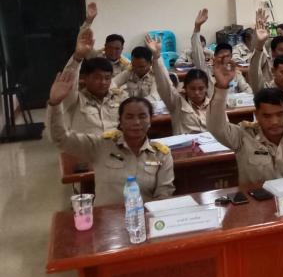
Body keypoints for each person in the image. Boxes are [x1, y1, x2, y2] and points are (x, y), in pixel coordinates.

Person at [46, 70, 174, 206]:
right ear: (120, 121)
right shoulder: (100, 145)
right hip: (106, 217)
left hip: (143, 215)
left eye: (142, 116)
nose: (136, 122)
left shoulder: (161, 154)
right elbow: (60, 138)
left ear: (150, 121)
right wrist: (55, 103)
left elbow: (164, 194)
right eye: (129, 117)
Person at [208, 58, 283, 186]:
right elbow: (216, 127)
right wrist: (221, 88)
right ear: (257, 115)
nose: (274, 122)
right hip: (255, 196)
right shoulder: (244, 135)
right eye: (267, 116)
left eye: (280, 114)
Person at [59, 27, 128, 134]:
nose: (103, 82)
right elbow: (69, 77)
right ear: (85, 78)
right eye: (97, 78)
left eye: (107, 78)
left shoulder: (121, 97)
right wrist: (77, 57)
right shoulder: (76, 99)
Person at [147, 34, 211, 135]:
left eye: (201, 88)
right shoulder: (177, 102)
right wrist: (157, 57)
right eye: (192, 89)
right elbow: (164, 83)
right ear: (185, 88)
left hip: (212, 144)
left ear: (207, 88)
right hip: (187, 144)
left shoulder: (214, 105)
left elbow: (224, 130)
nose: (197, 92)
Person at [191, 9, 252, 94]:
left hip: (233, 102)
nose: (224, 59)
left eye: (227, 56)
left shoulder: (235, 73)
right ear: (214, 56)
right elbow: (198, 54)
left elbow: (247, 90)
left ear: (231, 57)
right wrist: (197, 28)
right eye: (221, 56)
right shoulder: (206, 72)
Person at [81, 2, 131, 77]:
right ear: (105, 47)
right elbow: (82, 40)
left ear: (122, 49)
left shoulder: (127, 65)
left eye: (117, 49)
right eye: (110, 48)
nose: (113, 51)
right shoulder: (96, 56)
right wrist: (88, 21)